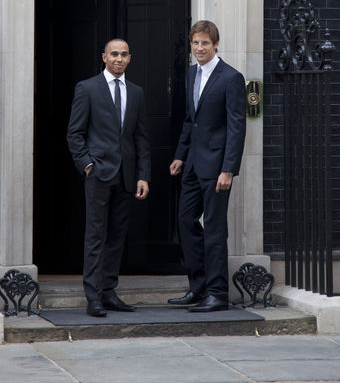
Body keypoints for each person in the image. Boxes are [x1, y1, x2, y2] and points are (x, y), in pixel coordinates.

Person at [67, 38, 150, 317]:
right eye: (114, 54)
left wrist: (143, 176)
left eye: (124, 54)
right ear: (103, 57)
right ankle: (93, 296)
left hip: (126, 176)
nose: (119, 59)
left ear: (130, 58)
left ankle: (109, 291)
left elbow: (141, 138)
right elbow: (75, 133)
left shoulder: (136, 92)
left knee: (117, 237)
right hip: (99, 174)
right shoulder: (87, 88)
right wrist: (87, 165)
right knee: (95, 236)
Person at [169, 20, 246, 312]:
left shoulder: (231, 78)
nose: (200, 48)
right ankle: (198, 287)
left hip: (217, 168)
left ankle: (217, 293)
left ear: (216, 45)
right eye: (195, 43)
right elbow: (192, 120)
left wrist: (229, 169)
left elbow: (237, 127)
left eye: (205, 43)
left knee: (214, 229)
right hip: (191, 164)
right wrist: (179, 155)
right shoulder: (191, 74)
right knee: (185, 223)